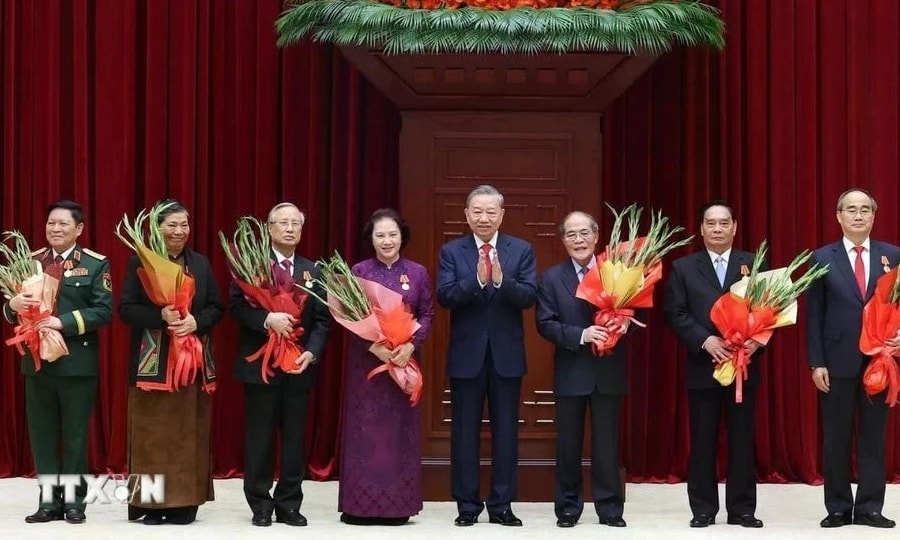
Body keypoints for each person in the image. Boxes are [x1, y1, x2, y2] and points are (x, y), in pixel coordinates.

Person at [2, 200, 113, 524]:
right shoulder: (30, 262)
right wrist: (13, 303)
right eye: (51, 223)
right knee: (43, 433)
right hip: (37, 364)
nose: (56, 229)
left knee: (76, 435)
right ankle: (49, 503)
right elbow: (11, 312)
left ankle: (75, 503)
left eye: (63, 224)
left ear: (78, 229)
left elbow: (104, 311)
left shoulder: (94, 264)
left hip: (76, 363)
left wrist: (62, 322)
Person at [436, 184, 537, 527]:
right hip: (467, 356)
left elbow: (528, 297)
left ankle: (502, 504)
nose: (483, 218)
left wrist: (501, 281)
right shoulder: (452, 251)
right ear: (466, 214)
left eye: (491, 212)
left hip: (507, 355)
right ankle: (467, 505)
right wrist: (476, 282)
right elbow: (445, 296)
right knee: (464, 433)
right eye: (477, 211)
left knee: (506, 432)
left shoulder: (520, 250)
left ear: (502, 215)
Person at [119, 199, 224, 525]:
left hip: (191, 363)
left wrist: (197, 322)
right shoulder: (140, 261)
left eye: (184, 225)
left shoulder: (202, 264)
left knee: (188, 434)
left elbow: (217, 308)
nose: (179, 231)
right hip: (154, 362)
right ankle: (151, 505)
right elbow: (125, 309)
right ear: (157, 228)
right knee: (152, 435)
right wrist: (159, 315)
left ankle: (185, 504)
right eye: (172, 225)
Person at [663, 199, 764, 529]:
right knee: (703, 440)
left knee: (742, 441)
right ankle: (703, 509)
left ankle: (742, 509)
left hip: (742, 367)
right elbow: (676, 313)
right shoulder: (684, 267)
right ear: (701, 228)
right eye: (711, 223)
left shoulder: (754, 264)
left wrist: (754, 341)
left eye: (724, 223)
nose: (718, 228)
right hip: (703, 366)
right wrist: (704, 341)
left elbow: (769, 311)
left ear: (735, 227)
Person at [230, 202, 331, 527]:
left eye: (295, 224)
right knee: (259, 438)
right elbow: (235, 308)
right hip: (261, 366)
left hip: (297, 366)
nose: (289, 228)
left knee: (293, 439)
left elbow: (322, 321)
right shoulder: (250, 265)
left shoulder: (313, 270)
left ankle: (289, 502)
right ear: (270, 229)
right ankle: (260, 503)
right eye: (282, 223)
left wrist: (311, 352)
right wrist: (267, 319)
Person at [807, 188, 900, 528]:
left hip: (880, 359)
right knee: (836, 436)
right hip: (837, 361)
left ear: (874, 216)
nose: (858, 215)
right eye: (851, 210)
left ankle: (870, 507)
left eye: (865, 210)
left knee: (874, 436)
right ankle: (837, 507)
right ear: (839, 216)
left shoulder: (893, 255)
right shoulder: (821, 257)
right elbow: (814, 314)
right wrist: (816, 361)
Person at [338, 208, 434, 526]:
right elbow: (351, 317)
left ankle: (398, 505)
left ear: (402, 237)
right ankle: (359, 506)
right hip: (368, 365)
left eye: (392, 234)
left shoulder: (418, 272)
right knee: (366, 433)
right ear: (371, 239)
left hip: (402, 364)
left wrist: (410, 346)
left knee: (398, 433)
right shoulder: (359, 270)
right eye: (380, 235)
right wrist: (374, 345)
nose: (387, 240)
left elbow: (427, 314)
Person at [535, 211, 627, 528]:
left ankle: (611, 509)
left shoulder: (617, 273)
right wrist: (581, 335)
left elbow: (637, 313)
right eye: (571, 234)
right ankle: (568, 508)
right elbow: (545, 324)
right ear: (563, 240)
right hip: (571, 370)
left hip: (608, 372)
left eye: (584, 233)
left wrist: (625, 324)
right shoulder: (551, 278)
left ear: (596, 235)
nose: (579, 240)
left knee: (606, 446)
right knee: (568, 446)